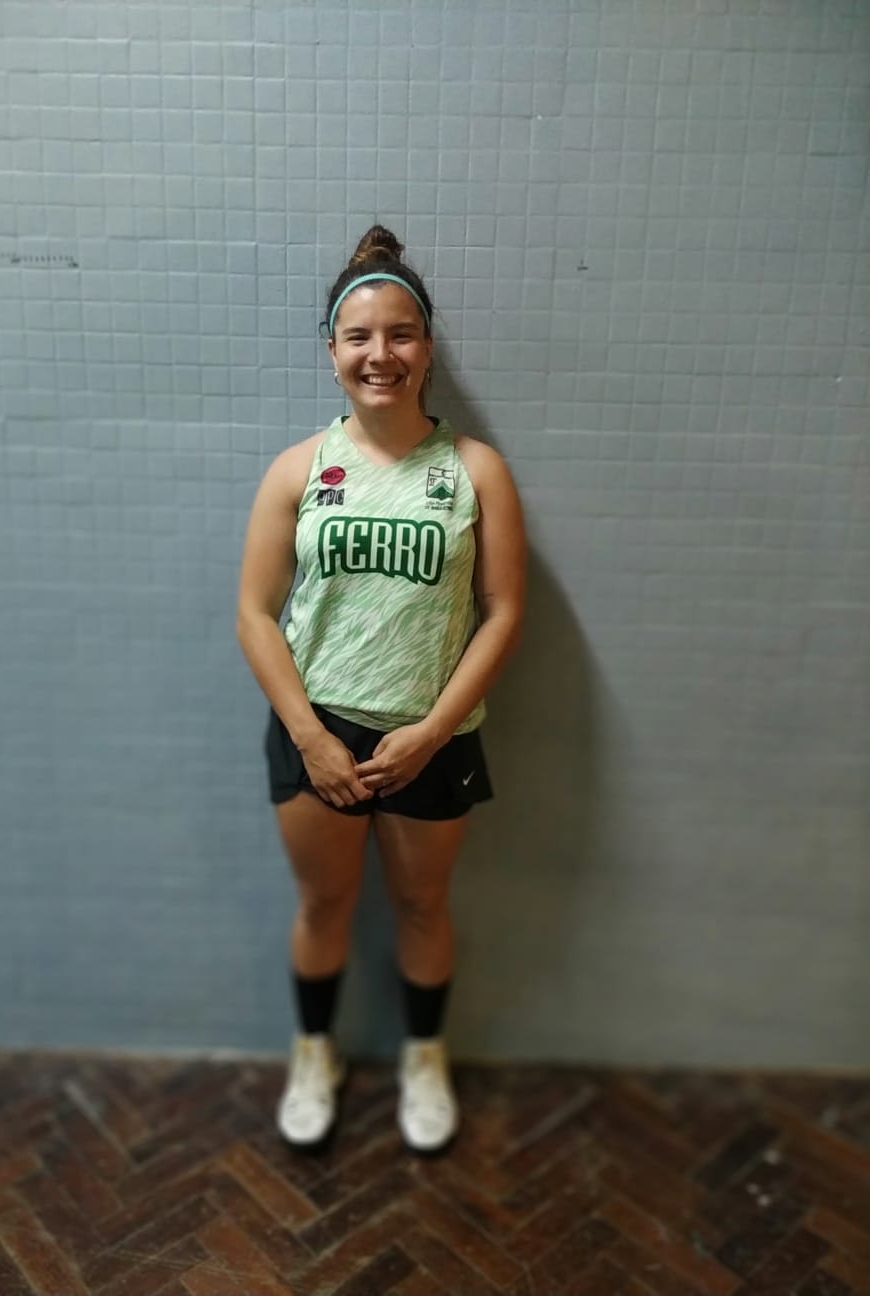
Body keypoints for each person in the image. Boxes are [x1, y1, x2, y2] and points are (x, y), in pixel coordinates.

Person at [236, 225, 526, 1153]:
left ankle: (424, 1057)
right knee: (323, 906)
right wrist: (312, 738)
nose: (380, 354)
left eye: (400, 334)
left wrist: (434, 731)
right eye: (359, 336)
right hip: (314, 730)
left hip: (432, 737)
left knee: (422, 906)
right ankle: (314, 1052)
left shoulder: (474, 471)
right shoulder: (297, 470)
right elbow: (254, 614)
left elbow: (504, 612)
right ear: (331, 349)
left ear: (428, 347)